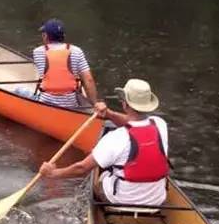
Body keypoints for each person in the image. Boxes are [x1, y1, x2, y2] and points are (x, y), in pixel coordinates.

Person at [38, 78, 169, 207]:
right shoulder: (160, 124)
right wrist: (109, 114)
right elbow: (133, 123)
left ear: (125, 104)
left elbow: (82, 168)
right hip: (157, 199)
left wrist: (53, 174)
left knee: (101, 175)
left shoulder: (116, 137)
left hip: (122, 199)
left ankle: (99, 211)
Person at [14, 19, 101, 110]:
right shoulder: (77, 51)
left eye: (43, 34)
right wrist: (95, 104)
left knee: (18, 90)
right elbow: (89, 80)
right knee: (78, 84)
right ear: (64, 36)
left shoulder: (38, 52)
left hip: (45, 103)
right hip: (71, 105)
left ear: (45, 36)